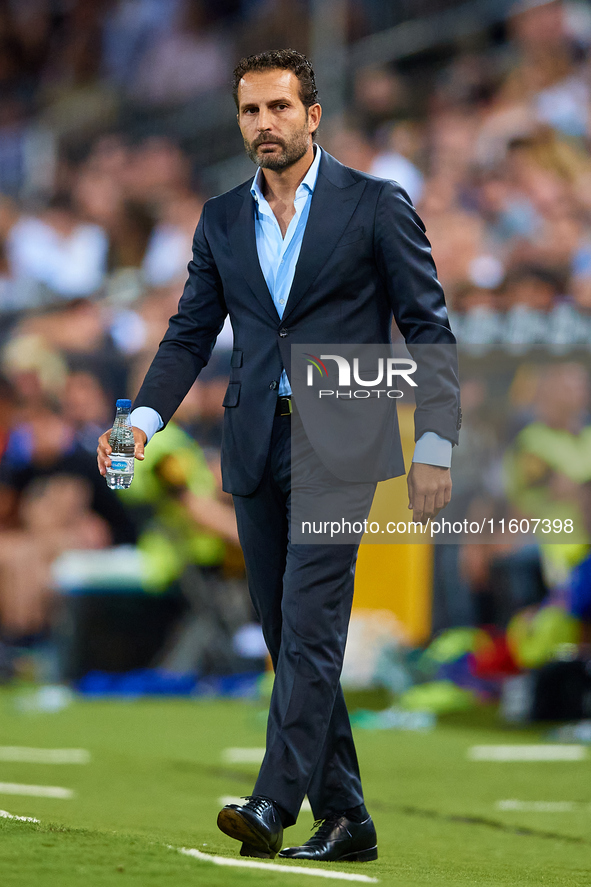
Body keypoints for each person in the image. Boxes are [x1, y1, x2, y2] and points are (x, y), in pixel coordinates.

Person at [97, 49, 461, 863]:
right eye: (249, 111)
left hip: (346, 440)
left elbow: (428, 328)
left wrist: (434, 442)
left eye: (277, 108)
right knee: (287, 631)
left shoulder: (376, 205)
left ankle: (273, 800)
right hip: (254, 443)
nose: (263, 124)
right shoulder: (221, 217)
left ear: (312, 115)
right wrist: (142, 422)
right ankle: (348, 816)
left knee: (308, 625)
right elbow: (190, 333)